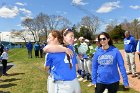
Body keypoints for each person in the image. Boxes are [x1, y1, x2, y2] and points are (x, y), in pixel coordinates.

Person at [44, 29, 81, 93]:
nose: (73, 39)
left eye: (73, 36)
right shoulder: (53, 50)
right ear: (63, 36)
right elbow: (46, 48)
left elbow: (76, 67)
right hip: (62, 83)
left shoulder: (70, 47)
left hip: (73, 80)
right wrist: (64, 49)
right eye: (71, 36)